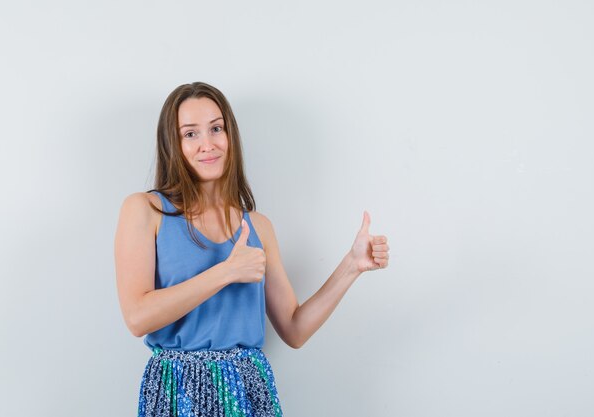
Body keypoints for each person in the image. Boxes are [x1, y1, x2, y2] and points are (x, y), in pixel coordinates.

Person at [114, 81, 390, 417]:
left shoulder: (258, 226)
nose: (207, 144)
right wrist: (226, 272)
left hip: (248, 391)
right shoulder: (145, 210)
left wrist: (352, 266)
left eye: (216, 128)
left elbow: (294, 329)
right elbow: (137, 317)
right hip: (177, 391)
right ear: (173, 144)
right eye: (190, 134)